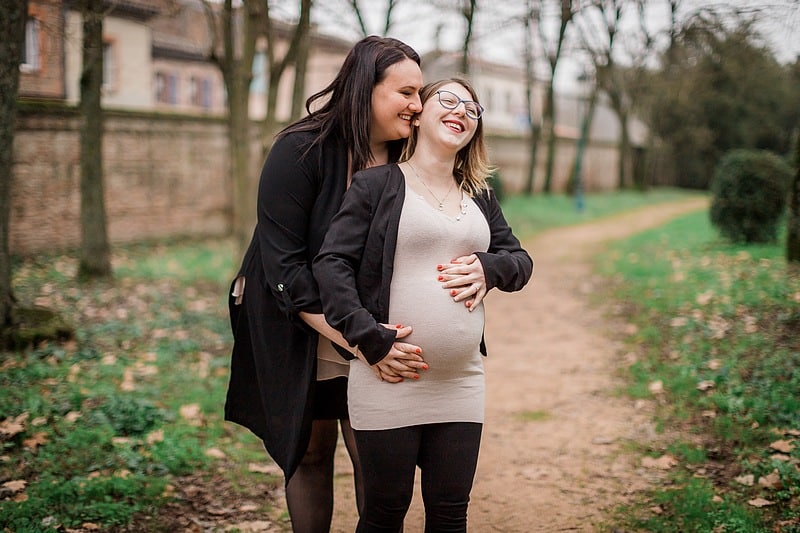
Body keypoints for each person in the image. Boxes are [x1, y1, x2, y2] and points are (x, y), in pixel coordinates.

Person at [224, 36, 431, 533]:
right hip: (301, 318)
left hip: (374, 319)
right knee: (311, 449)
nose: (417, 106)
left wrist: (483, 266)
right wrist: (361, 341)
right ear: (365, 88)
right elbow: (286, 271)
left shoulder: (415, 158)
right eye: (406, 92)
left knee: (374, 449)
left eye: (420, 93)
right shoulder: (301, 149)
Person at [313, 78, 534, 532]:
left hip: (461, 380)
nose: (461, 112)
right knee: (384, 513)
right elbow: (331, 263)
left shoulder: (480, 194)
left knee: (451, 513)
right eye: (448, 101)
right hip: (387, 377)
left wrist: (490, 268)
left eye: (472, 109)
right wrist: (367, 338)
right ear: (419, 115)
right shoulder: (377, 185)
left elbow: (520, 261)